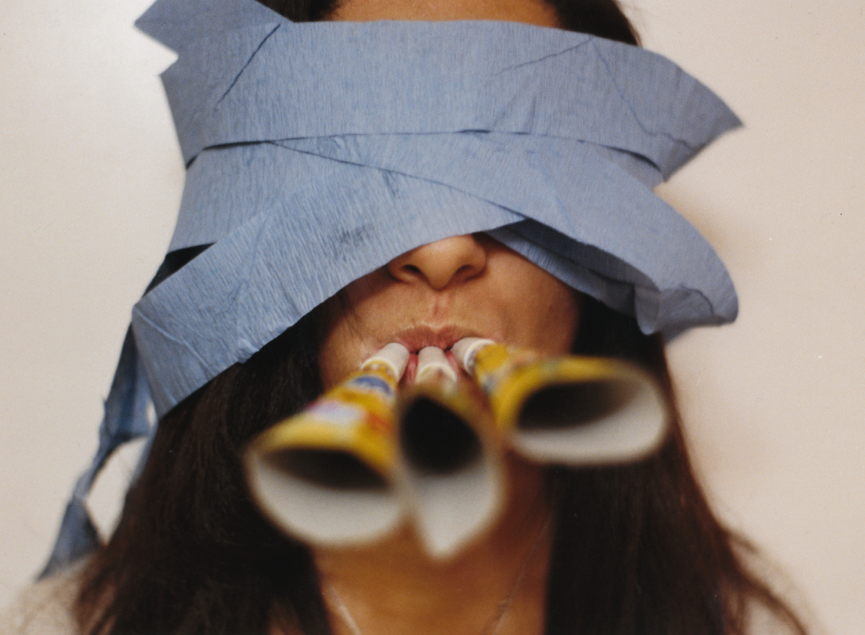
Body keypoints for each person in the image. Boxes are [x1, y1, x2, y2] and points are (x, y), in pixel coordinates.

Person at [1, 0, 810, 633]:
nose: (442, 248)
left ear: (603, 259)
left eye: (511, 181)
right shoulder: (70, 629)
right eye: (376, 176)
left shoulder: (738, 625)